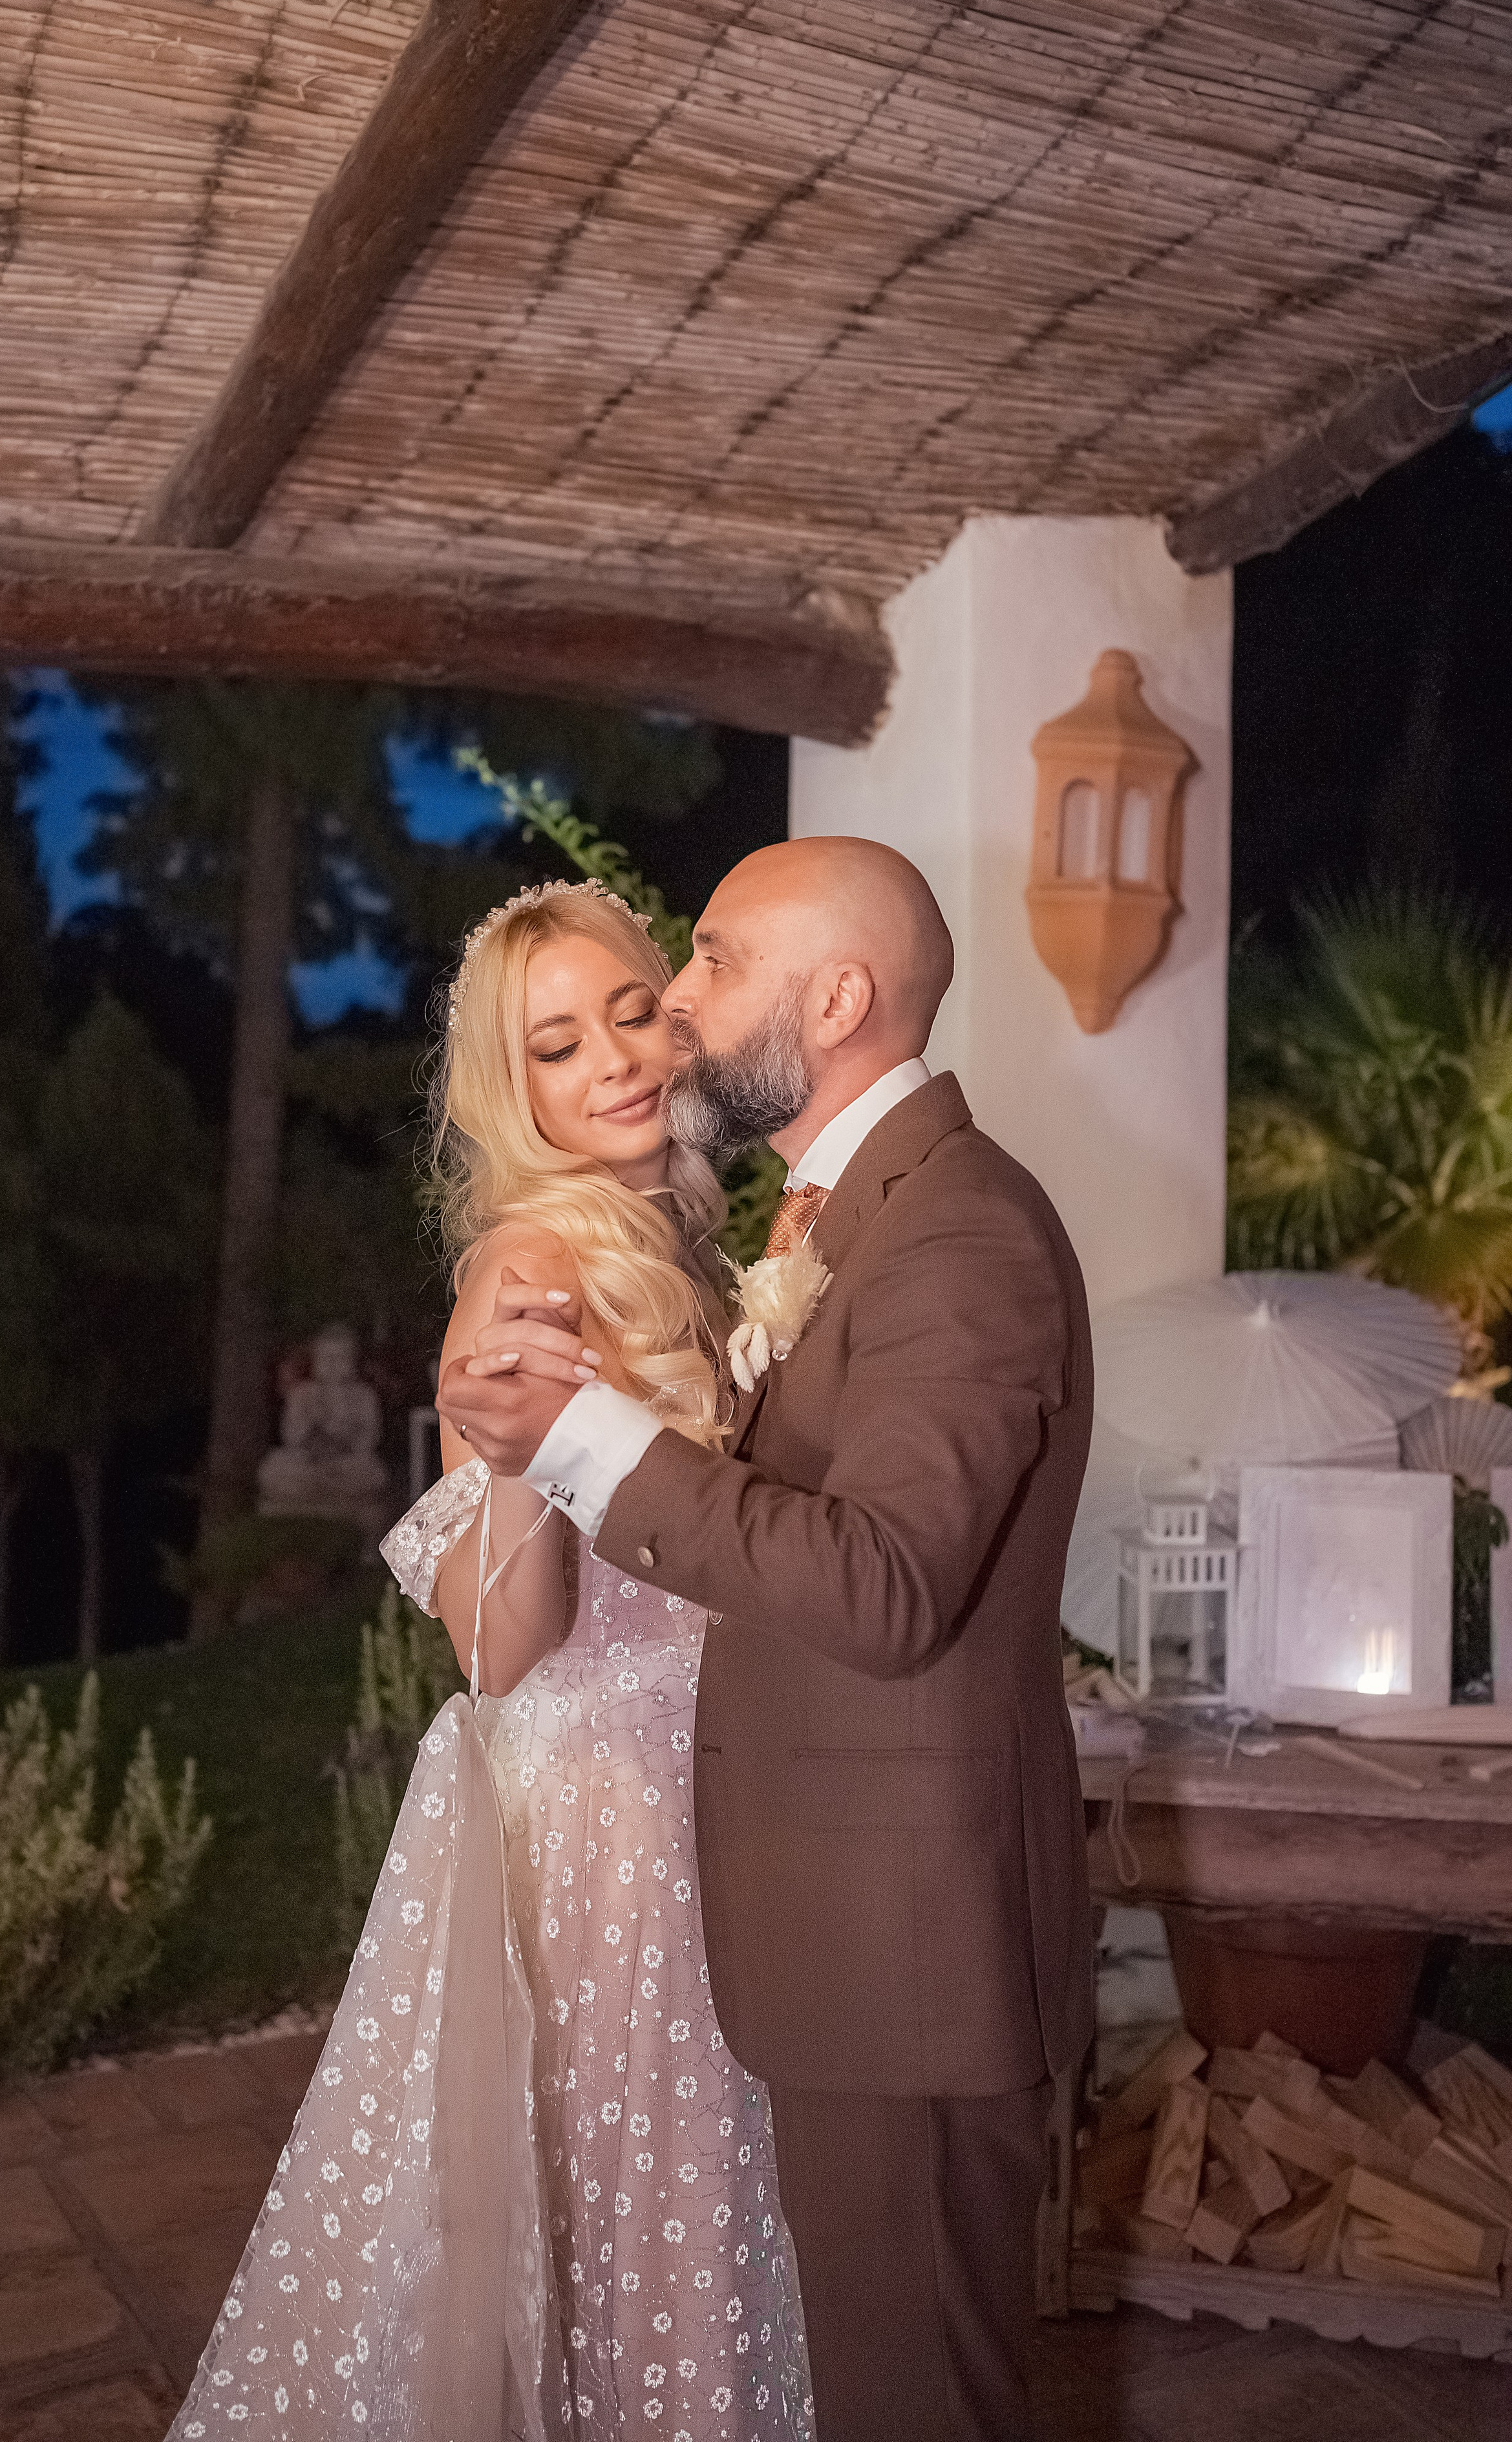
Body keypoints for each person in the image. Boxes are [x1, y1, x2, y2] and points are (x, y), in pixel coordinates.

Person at [440, 837, 1095, 2442]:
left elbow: (883, 1585)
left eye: (713, 962)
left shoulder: (953, 1229)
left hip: (900, 1939)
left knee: (909, 2395)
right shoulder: (841, 1218)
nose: (675, 1004)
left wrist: (578, 1440)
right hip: (801, 1900)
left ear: (837, 999)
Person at [167, 879, 813, 2442]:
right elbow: (504, 1647)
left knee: (690, 2209)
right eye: (555, 1045)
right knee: (624, 2216)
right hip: (609, 1824)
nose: (614, 1060)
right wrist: (521, 1455)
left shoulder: (678, 1240)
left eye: (630, 1013)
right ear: (507, 1091)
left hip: (702, 1791)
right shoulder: (529, 1265)